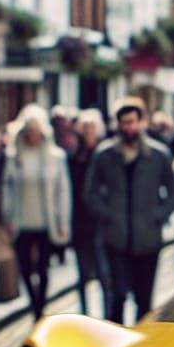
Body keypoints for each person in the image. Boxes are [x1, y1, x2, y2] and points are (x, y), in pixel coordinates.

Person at [85, 98, 174, 324]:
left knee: (144, 301)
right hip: (115, 239)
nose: (129, 128)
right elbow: (90, 193)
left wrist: (158, 215)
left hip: (148, 239)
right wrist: (108, 215)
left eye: (133, 122)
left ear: (142, 122)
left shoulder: (158, 155)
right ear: (117, 125)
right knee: (117, 296)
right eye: (125, 123)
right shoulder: (105, 155)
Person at [0, 104, 71, 321]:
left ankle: (40, 308)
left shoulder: (56, 157)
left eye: (35, 131)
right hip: (21, 220)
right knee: (24, 268)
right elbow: (7, 189)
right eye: (28, 131)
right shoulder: (13, 157)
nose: (32, 136)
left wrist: (63, 220)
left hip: (45, 220)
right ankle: (34, 303)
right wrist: (8, 217)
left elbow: (63, 191)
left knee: (43, 268)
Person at [69, 109, 109, 316]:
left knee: (104, 274)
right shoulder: (74, 157)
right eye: (85, 128)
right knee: (83, 275)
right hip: (80, 223)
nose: (88, 132)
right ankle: (85, 313)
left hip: (101, 223)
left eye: (92, 127)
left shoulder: (106, 155)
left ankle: (107, 314)